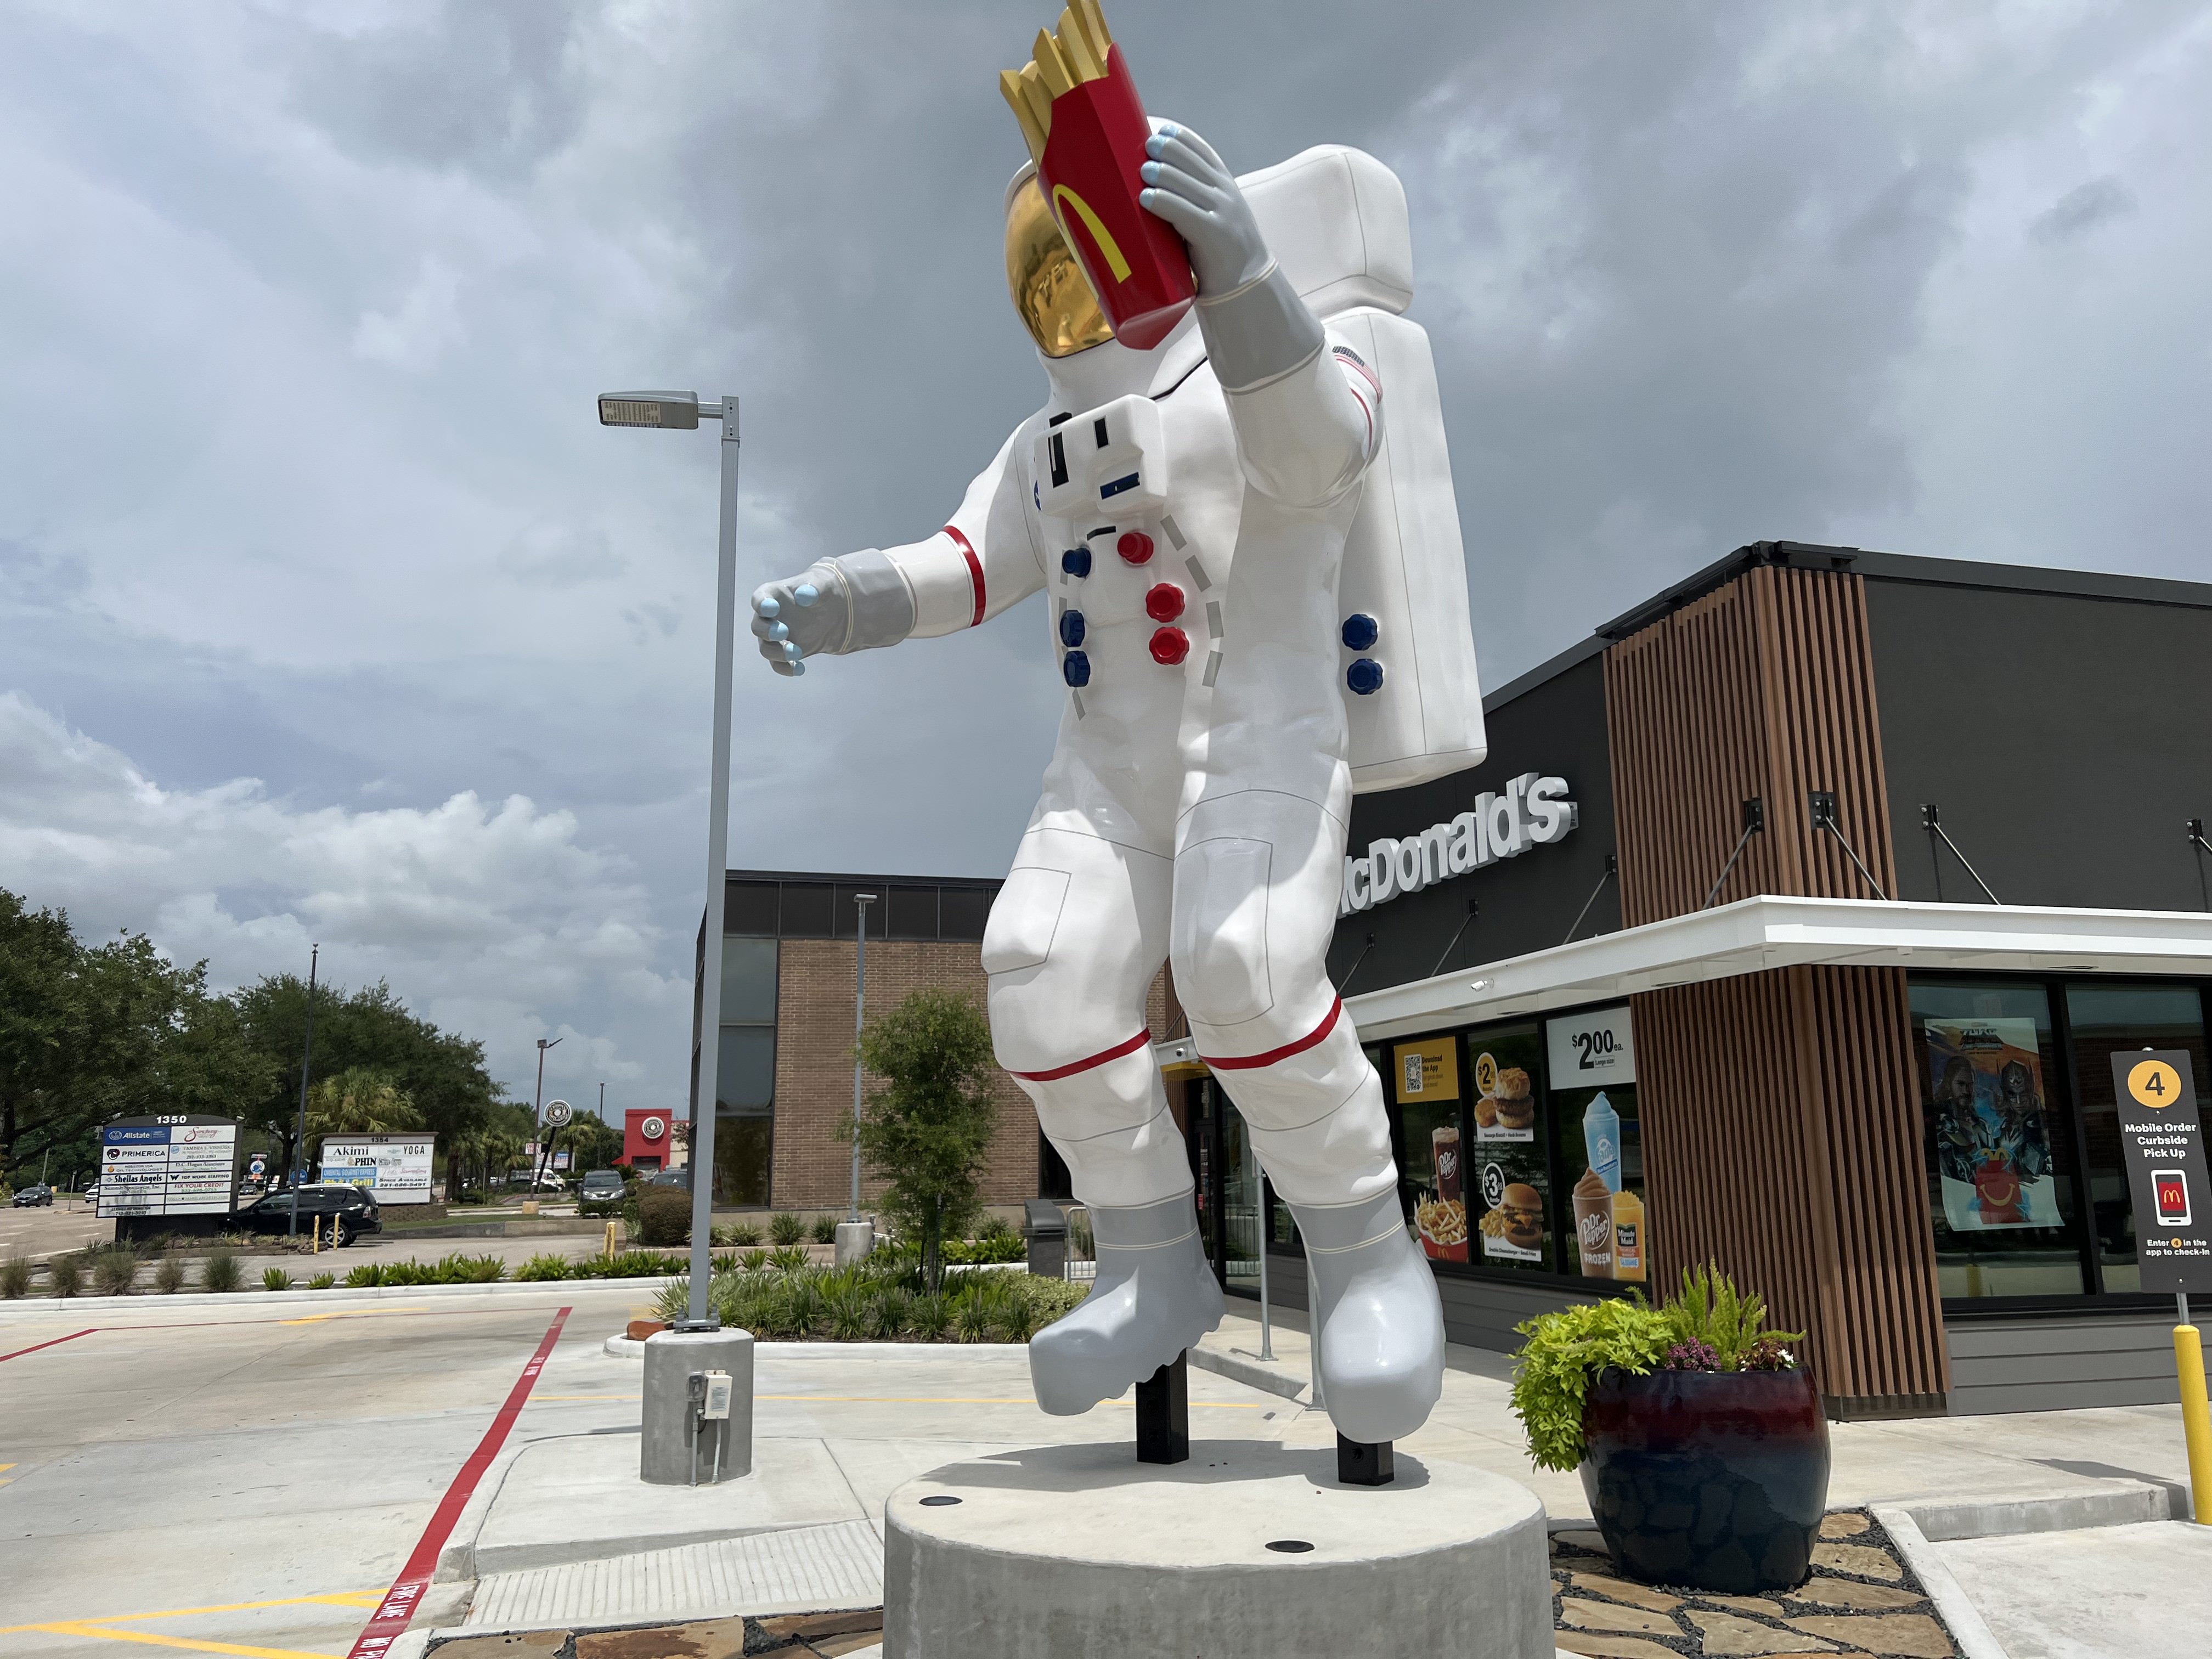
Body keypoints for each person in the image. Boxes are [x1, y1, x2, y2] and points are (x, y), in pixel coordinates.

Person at [747, 126, 1454, 1446]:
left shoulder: (1287, 356)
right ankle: (1150, 1264)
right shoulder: (1041, 444)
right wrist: (843, 601)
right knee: (1040, 974)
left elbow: (1322, 453)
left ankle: (1367, 1257)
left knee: (1241, 968)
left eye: (1078, 251)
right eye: (1037, 265)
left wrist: (1246, 283)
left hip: (1261, 736)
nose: (1057, 287)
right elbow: (966, 562)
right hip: (1109, 769)